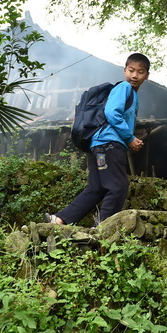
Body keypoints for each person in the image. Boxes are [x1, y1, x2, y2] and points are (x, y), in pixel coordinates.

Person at [45, 53, 150, 225]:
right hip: (109, 145)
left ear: (147, 75)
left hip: (99, 147)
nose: (135, 75)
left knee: (97, 188)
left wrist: (129, 139)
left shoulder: (129, 92)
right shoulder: (125, 88)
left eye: (140, 72)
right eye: (131, 70)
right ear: (124, 71)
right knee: (118, 187)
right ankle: (100, 229)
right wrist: (130, 137)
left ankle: (59, 219)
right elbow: (111, 112)